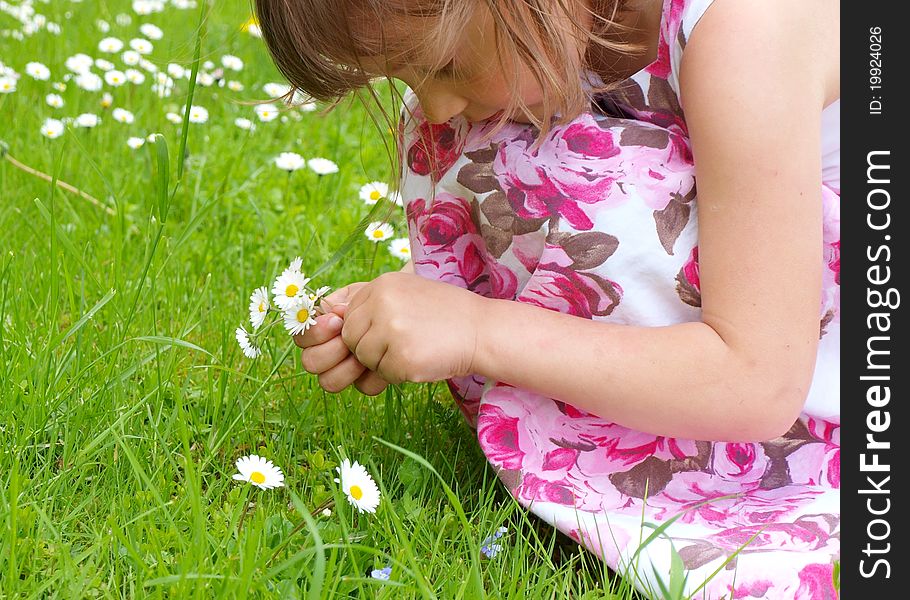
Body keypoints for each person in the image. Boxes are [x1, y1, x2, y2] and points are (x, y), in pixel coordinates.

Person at [255, 0, 840, 597]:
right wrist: (422, 306)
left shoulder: (746, 34)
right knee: (491, 136)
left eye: (448, 65)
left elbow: (758, 380)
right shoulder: (559, 29)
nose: (435, 104)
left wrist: (480, 332)